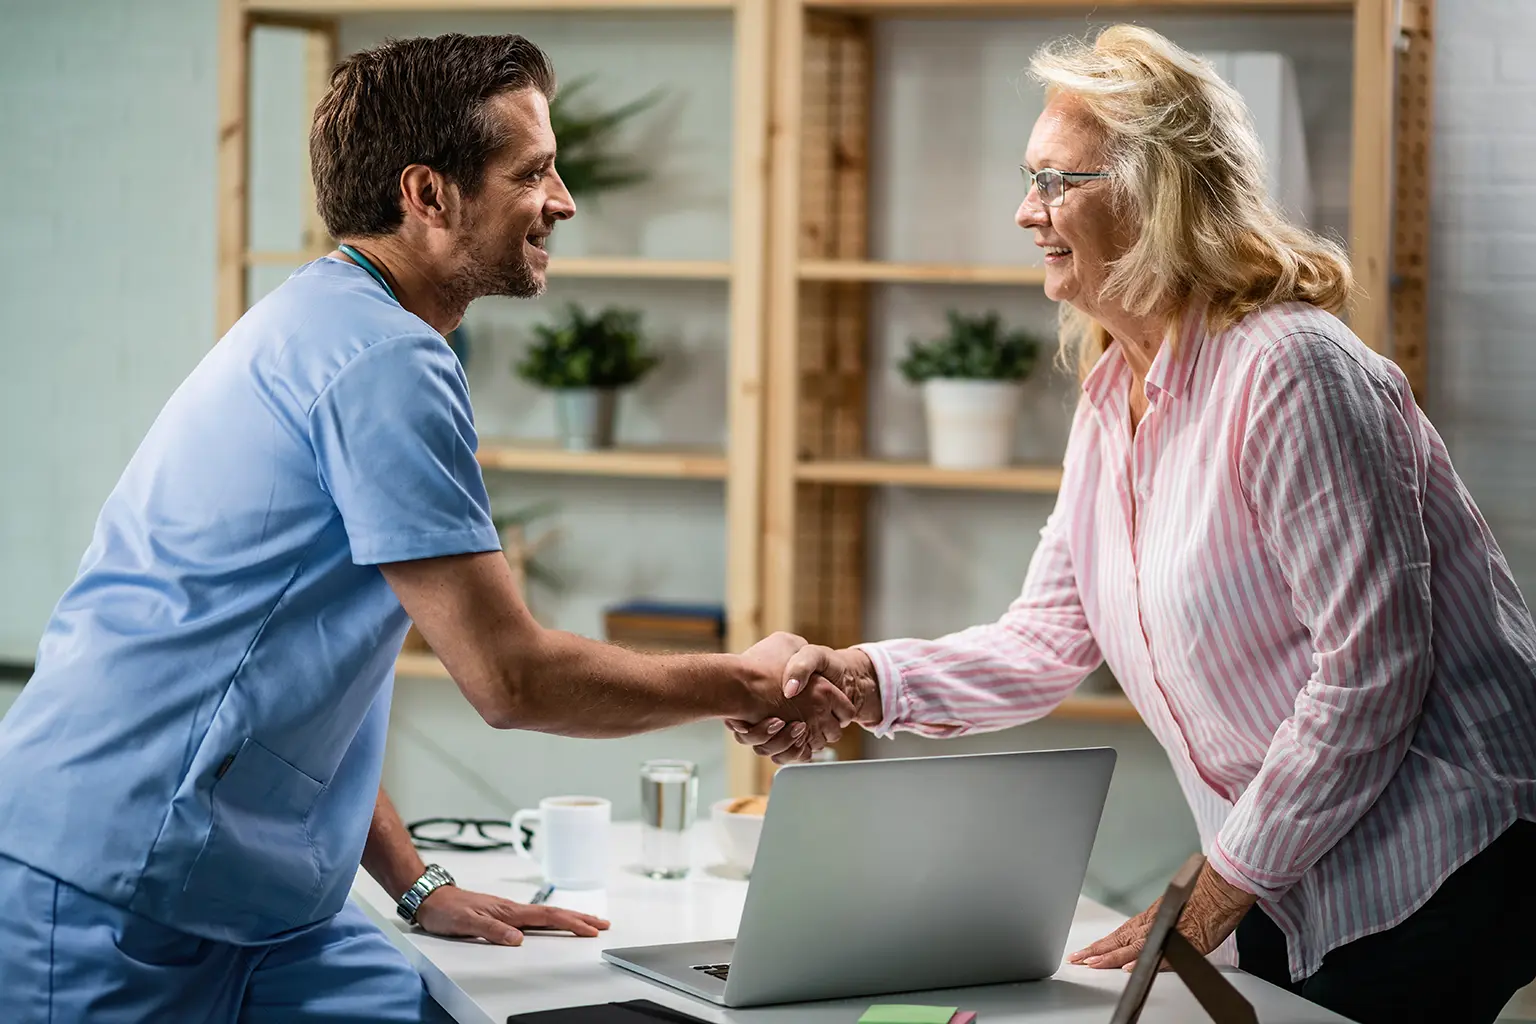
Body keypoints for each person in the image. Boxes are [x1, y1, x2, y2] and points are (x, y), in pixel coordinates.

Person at [0, 32, 848, 1024]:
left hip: (263, 903)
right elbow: (509, 677)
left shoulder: (332, 323)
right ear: (428, 194)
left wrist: (412, 882)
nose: (562, 200)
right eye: (531, 171)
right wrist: (745, 681)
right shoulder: (381, 361)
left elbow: (299, 674)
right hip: (110, 889)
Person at [731, 24, 1536, 1024]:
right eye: (1031, 180)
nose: (1028, 211)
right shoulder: (1115, 389)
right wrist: (856, 681)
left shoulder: (1292, 370)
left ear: (1162, 196)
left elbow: (1370, 672)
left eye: (1059, 182)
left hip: (1436, 853)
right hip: (1288, 864)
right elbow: (1046, 640)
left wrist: (1221, 883)